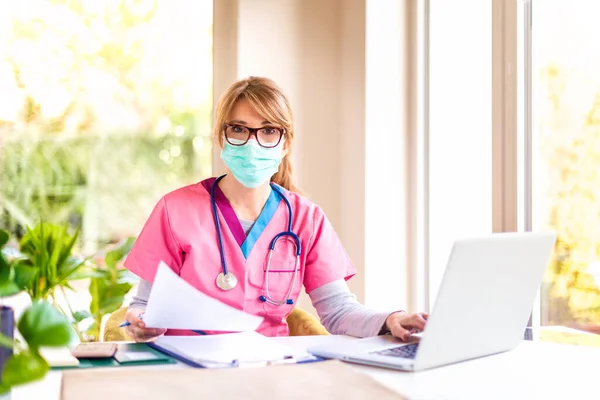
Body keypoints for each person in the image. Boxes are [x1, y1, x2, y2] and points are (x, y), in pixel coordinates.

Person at [123, 76, 428, 342]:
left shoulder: (306, 218)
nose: (253, 143)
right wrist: (141, 322)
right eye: (239, 129)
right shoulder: (175, 210)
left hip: (268, 369)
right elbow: (143, 305)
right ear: (221, 137)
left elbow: (338, 311)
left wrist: (389, 319)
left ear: (285, 143)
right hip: (187, 369)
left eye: (269, 131)